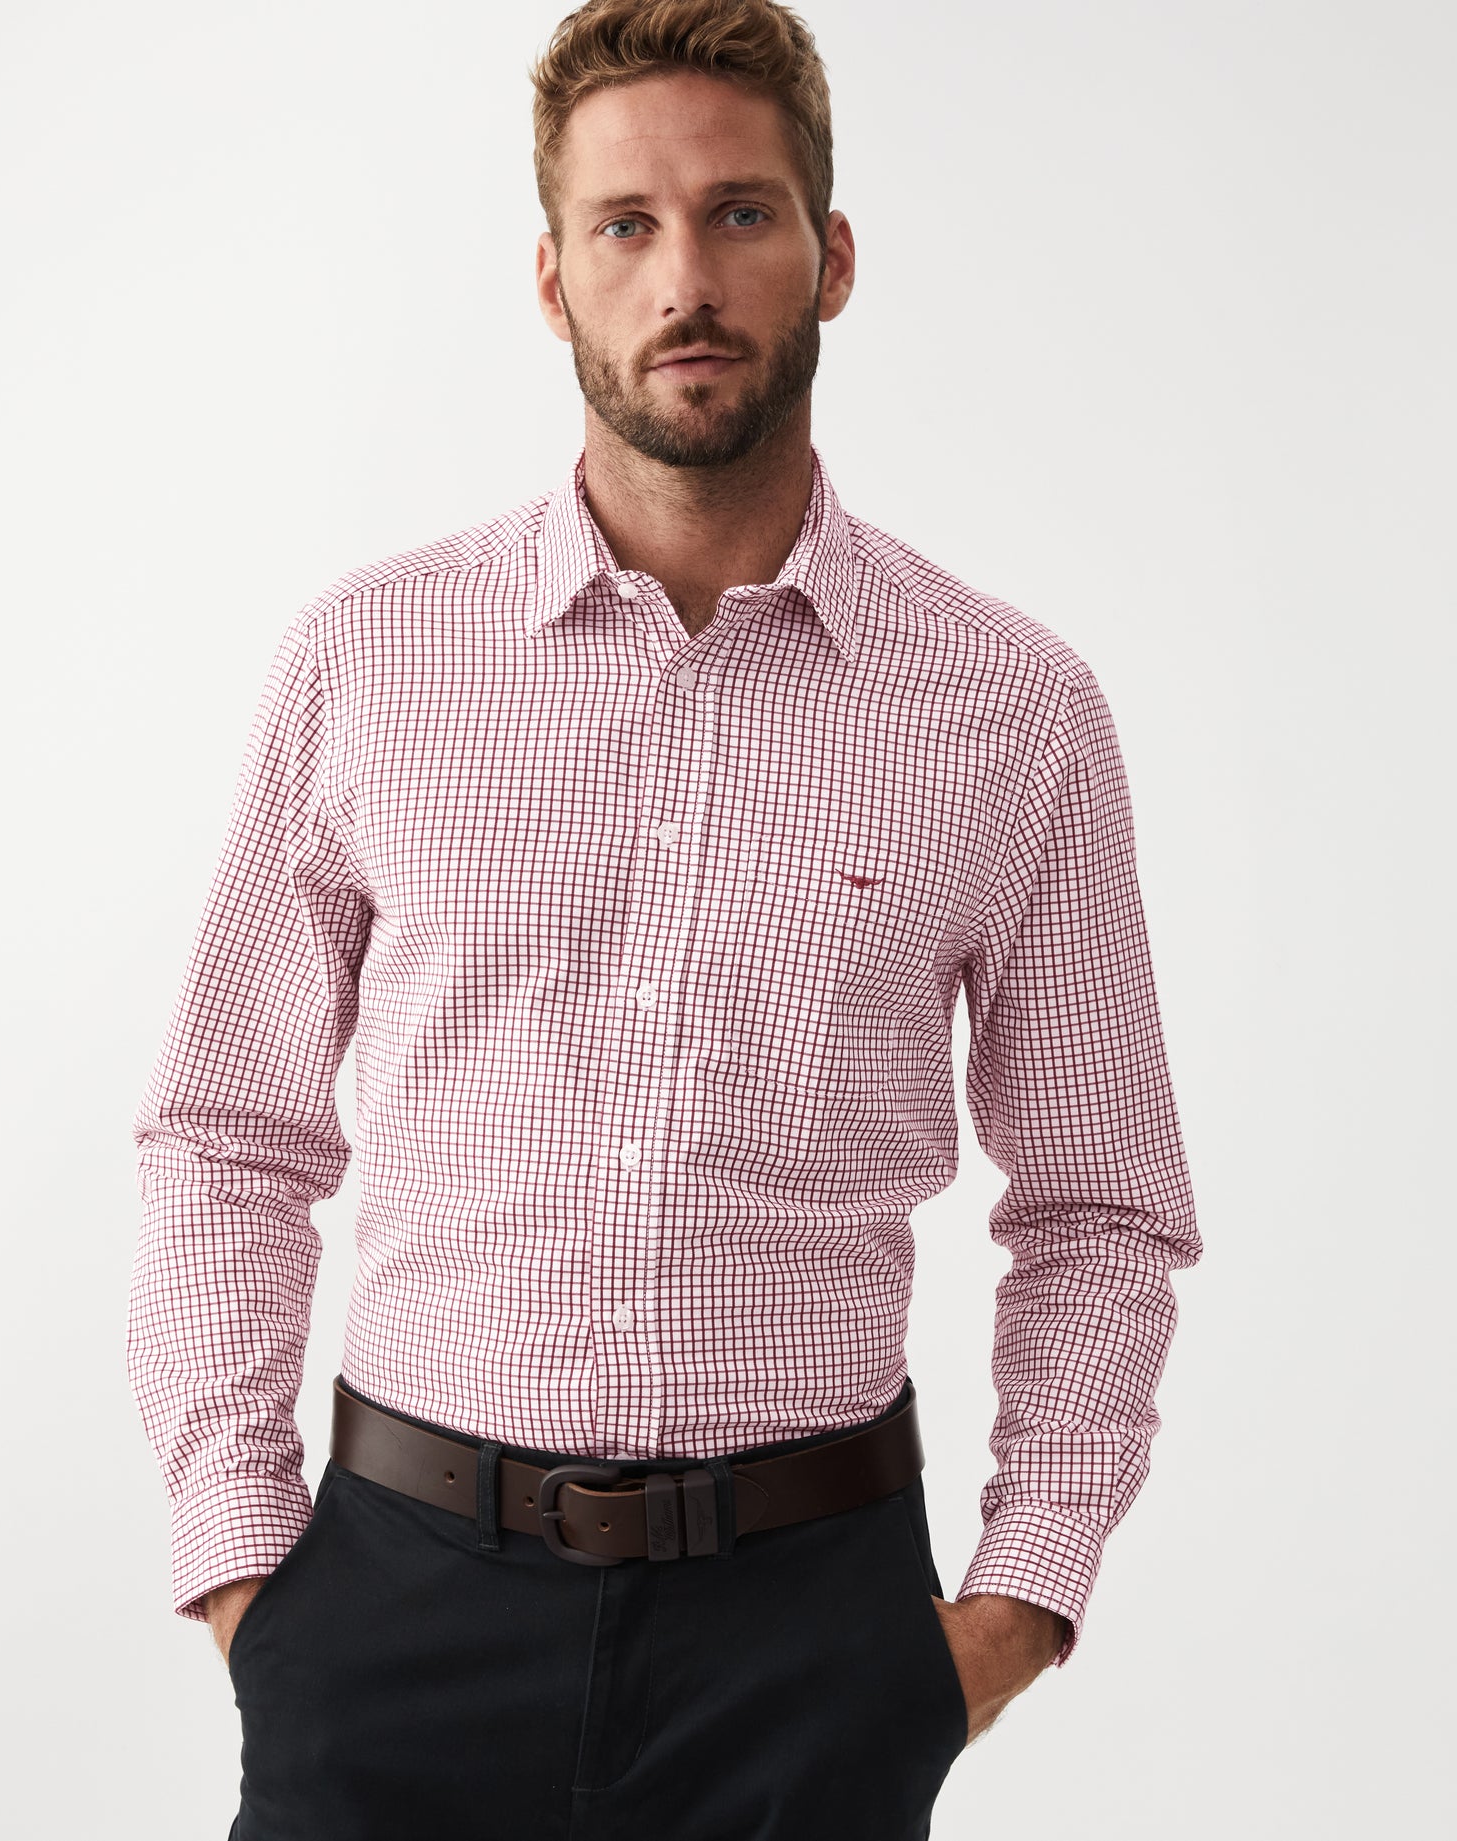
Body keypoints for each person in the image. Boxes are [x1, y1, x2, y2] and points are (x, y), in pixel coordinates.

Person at [126, 3, 1201, 1835]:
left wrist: (1014, 1607)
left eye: (740, 213)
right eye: (625, 223)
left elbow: (1102, 1206)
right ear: (554, 279)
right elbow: (227, 1136)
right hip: (393, 1616)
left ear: (832, 257)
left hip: (810, 1640)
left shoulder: (1013, 711)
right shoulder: (368, 662)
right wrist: (251, 1579)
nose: (684, 279)